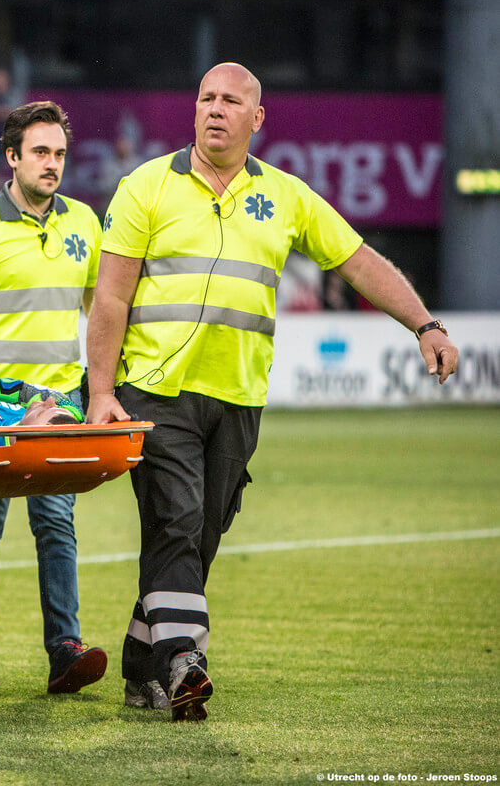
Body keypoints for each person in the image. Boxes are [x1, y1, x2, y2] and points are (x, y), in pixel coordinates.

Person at [86, 62, 460, 722]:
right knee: (174, 521)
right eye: (205, 97)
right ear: (192, 108)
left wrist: (422, 324)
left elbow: (357, 261)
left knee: (198, 537)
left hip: (237, 395)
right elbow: (110, 297)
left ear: (256, 119)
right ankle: (183, 661)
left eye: (231, 101)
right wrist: (100, 391)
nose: (215, 109)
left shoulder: (286, 195)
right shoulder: (143, 186)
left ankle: (141, 662)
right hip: (154, 390)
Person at [0, 100, 107, 693]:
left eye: (58, 153)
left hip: (58, 407)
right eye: (39, 152)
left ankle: (64, 648)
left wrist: (104, 387)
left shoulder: (86, 222)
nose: (51, 163)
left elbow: (98, 312)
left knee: (56, 524)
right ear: (12, 157)